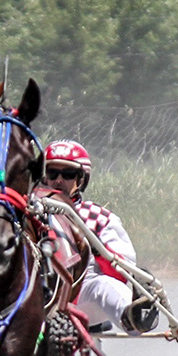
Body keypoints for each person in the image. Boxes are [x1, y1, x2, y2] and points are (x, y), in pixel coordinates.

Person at [40, 140, 155, 334]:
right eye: (52, 173)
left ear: (81, 179)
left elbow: (122, 273)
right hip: (37, 297)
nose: (58, 180)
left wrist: (94, 245)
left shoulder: (98, 217)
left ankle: (132, 316)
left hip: (82, 298)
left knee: (102, 285)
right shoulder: (29, 212)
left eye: (67, 174)